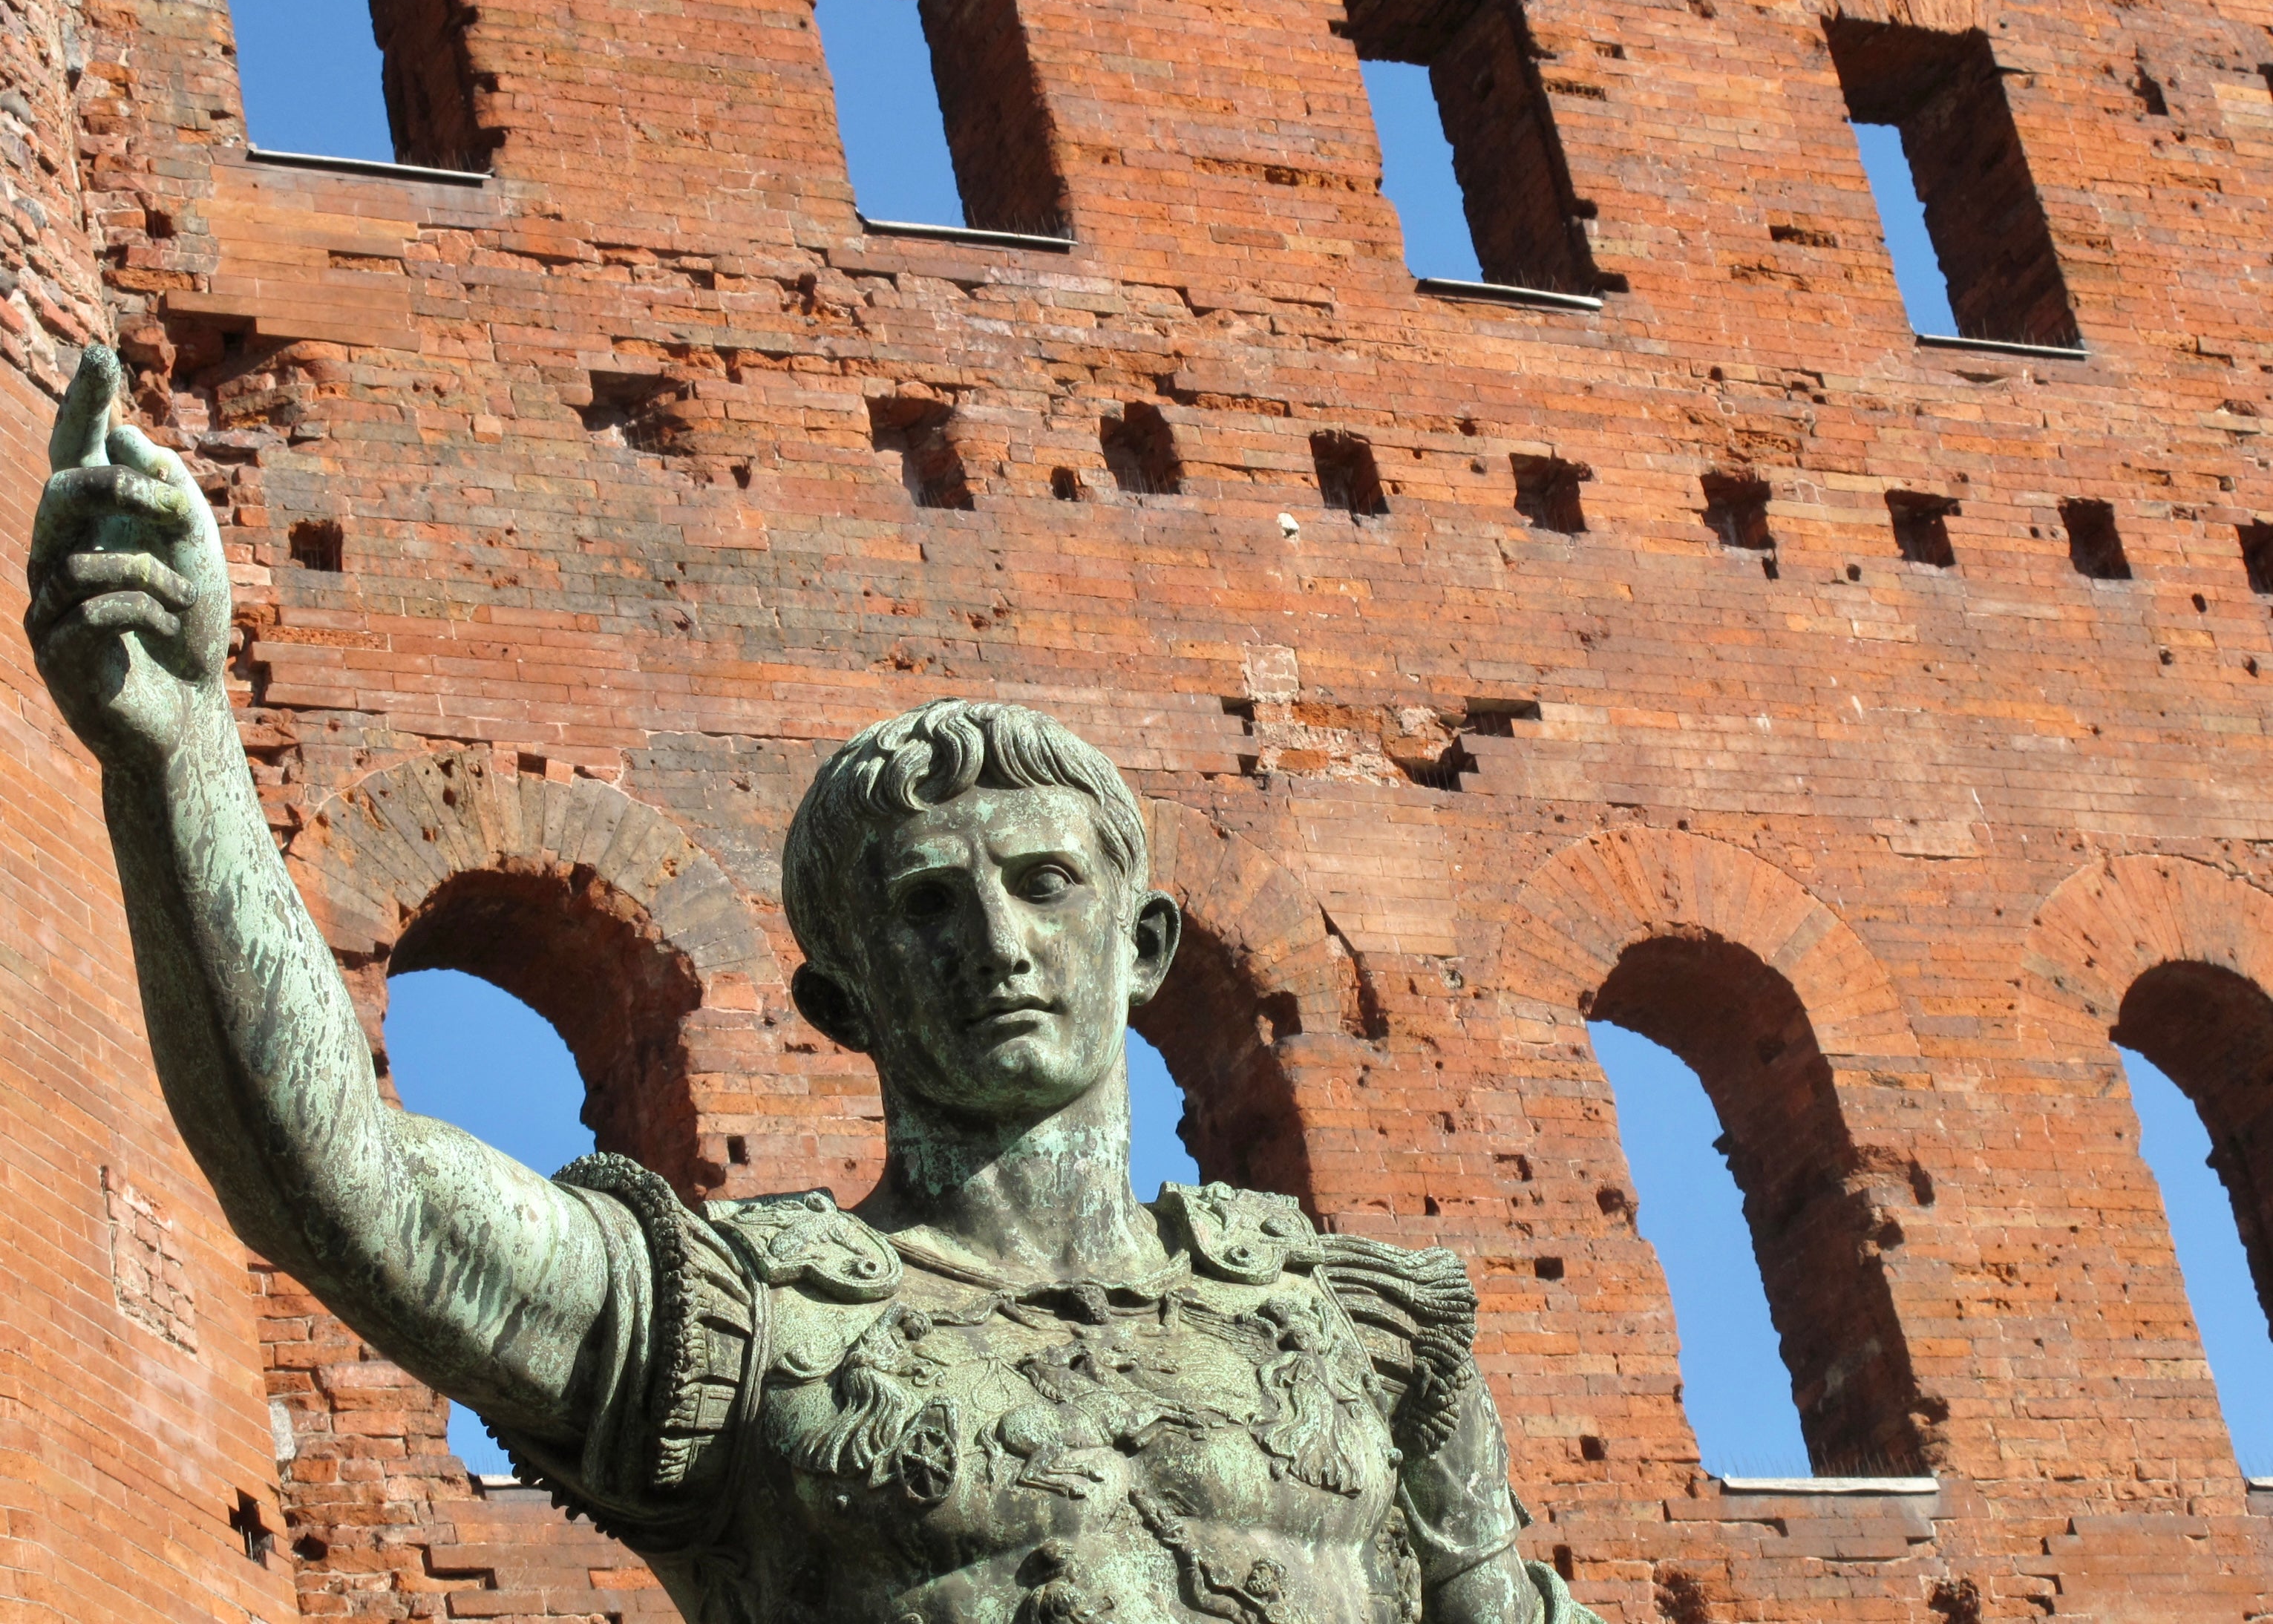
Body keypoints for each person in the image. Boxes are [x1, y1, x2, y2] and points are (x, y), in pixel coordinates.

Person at [24, 345, 1598, 1624]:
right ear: (843, 1001)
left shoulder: (1361, 1327)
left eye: (1045, 880)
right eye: (925, 904)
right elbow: (343, 1186)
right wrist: (181, 749)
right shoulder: (752, 1328)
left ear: (1145, 949)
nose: (992, 936)